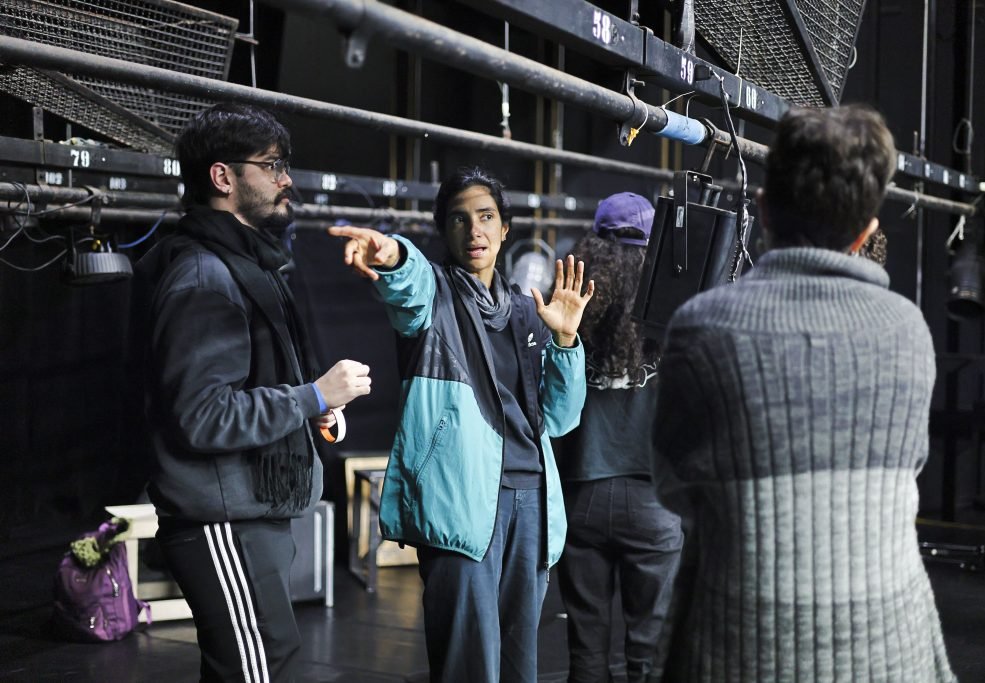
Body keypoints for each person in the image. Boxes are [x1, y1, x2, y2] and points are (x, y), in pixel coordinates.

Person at [652, 105, 956, 682]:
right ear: (867, 232)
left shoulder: (703, 326)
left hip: (743, 646)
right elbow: (907, 468)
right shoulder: (907, 329)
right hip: (890, 647)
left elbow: (673, 486)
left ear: (763, 210)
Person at [132, 102, 372, 682]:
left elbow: (244, 391)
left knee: (256, 667)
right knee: (261, 671)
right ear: (223, 177)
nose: (285, 179)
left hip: (247, 512)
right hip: (222, 519)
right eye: (270, 166)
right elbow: (203, 415)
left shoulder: (247, 264)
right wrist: (310, 397)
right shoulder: (203, 275)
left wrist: (312, 412)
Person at [330, 166, 593, 683]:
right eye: (459, 219)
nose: (474, 230)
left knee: (521, 664)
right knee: (470, 665)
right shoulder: (434, 297)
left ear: (504, 229)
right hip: (462, 501)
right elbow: (408, 284)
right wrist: (392, 256)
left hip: (532, 501)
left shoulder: (525, 309)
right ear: (443, 231)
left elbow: (561, 418)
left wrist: (564, 342)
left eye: (486, 217)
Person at [556, 192, 683, 683]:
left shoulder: (569, 313)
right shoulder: (676, 315)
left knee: (586, 650)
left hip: (582, 497)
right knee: (649, 655)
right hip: (653, 500)